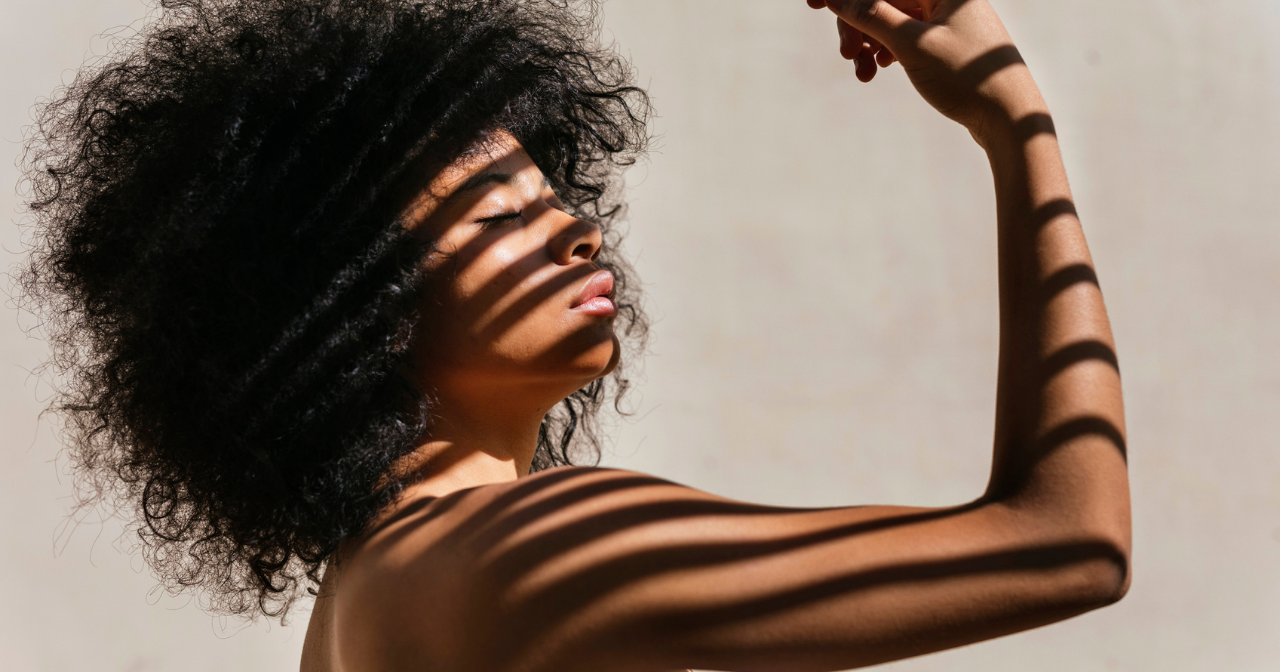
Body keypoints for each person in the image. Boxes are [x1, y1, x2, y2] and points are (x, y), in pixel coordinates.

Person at [20, 0, 1130, 670]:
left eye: (560, 201)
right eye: (502, 217)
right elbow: (1068, 541)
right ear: (348, 305)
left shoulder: (370, 588)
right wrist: (1012, 120)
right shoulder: (529, 551)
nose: (578, 236)